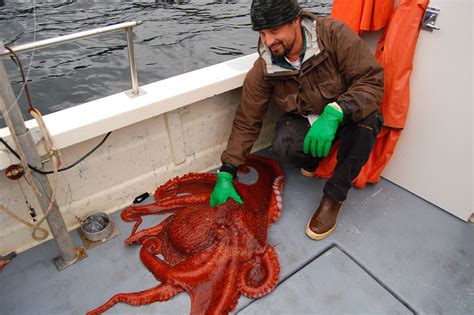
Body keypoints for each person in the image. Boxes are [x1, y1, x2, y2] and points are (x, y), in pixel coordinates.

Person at [210, 0, 384, 240]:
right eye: (262, 33)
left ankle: (334, 197)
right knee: (284, 145)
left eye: (274, 30)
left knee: (369, 122)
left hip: (345, 113)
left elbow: (371, 80)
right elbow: (247, 119)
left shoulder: (334, 34)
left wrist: (337, 111)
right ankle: (314, 159)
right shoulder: (264, 67)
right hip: (310, 118)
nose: (268, 41)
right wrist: (228, 170)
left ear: (295, 21)